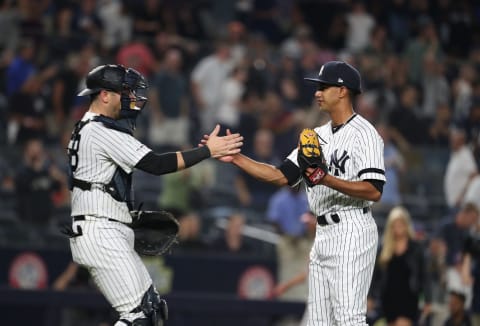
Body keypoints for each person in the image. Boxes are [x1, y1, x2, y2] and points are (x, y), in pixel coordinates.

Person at [207, 60, 386, 325]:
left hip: (352, 226)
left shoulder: (365, 134)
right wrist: (236, 158)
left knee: (349, 318)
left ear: (342, 91)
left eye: (323, 87)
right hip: (322, 231)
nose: (317, 92)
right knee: (317, 321)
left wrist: (325, 179)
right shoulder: (315, 136)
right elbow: (280, 175)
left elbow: (373, 190)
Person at [65, 64, 243, 326]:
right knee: (140, 317)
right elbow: (156, 165)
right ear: (104, 95)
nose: (131, 98)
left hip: (103, 226)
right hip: (100, 231)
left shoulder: (89, 128)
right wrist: (207, 151)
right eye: (124, 92)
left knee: (152, 311)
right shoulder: (100, 130)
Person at [370, 206, 432, 326]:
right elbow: (375, 276)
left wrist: (428, 300)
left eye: (401, 224)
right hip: (388, 299)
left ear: (406, 225)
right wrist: (371, 297)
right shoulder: (384, 249)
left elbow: (424, 276)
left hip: (409, 298)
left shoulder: (416, 249)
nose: (398, 228)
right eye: (394, 225)